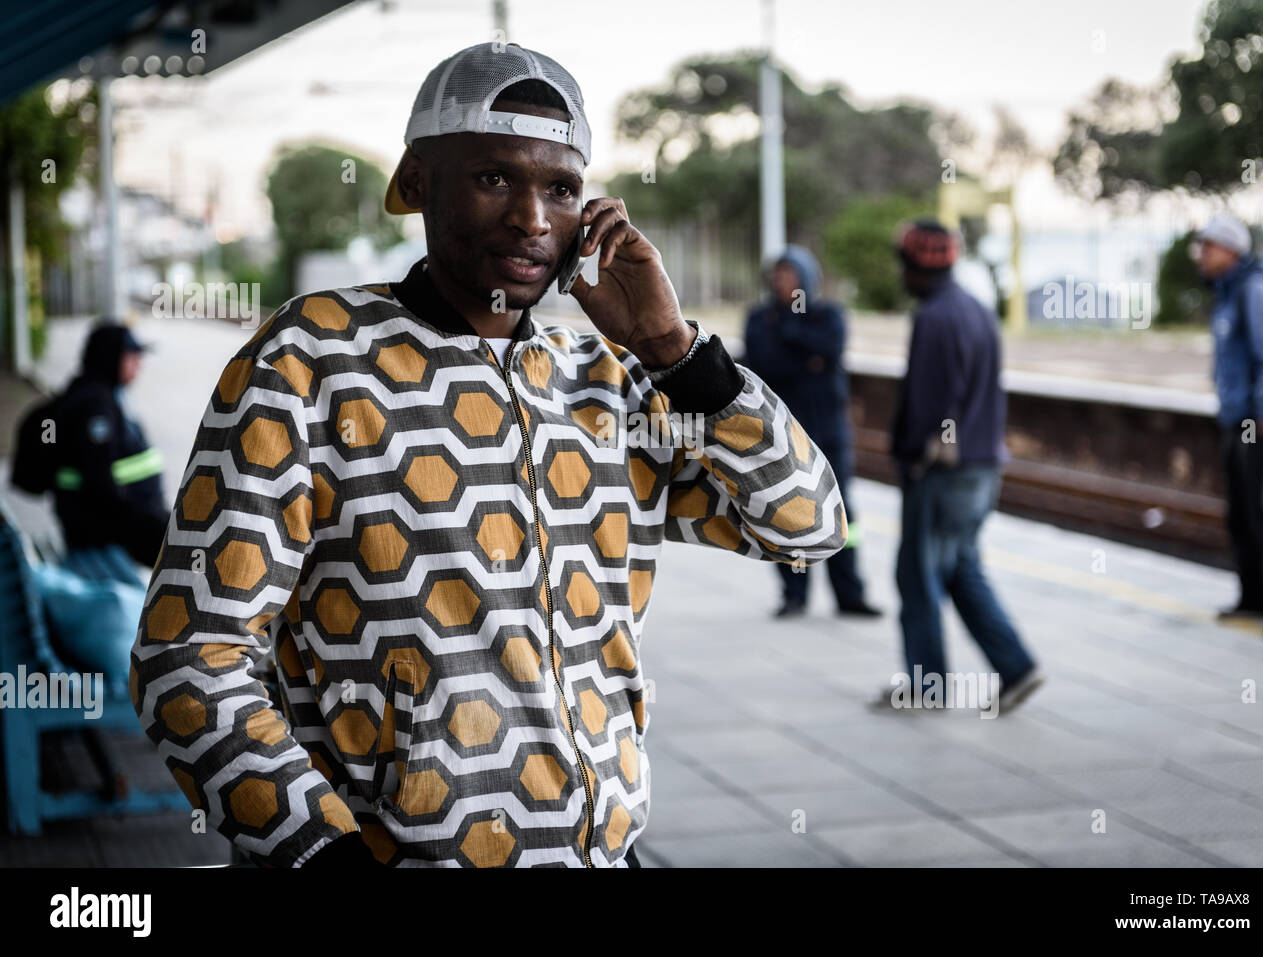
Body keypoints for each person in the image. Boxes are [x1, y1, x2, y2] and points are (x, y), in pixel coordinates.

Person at [130, 41, 847, 869]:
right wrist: (320, 852)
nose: (532, 219)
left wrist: (673, 348)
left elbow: (808, 524)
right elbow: (188, 656)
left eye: (562, 189)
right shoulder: (311, 359)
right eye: (494, 178)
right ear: (416, 183)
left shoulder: (606, 384)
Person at [878, 219, 1043, 714]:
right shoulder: (975, 310)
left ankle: (927, 686)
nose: (900, 274)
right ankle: (1016, 667)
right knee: (961, 569)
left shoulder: (934, 318)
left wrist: (911, 457)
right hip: (982, 466)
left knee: (919, 576)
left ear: (917, 267)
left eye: (903, 264)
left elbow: (932, 403)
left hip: (943, 472)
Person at [742, 246, 883, 618]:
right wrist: (807, 357)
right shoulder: (759, 319)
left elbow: (830, 349)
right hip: (781, 435)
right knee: (785, 511)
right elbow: (766, 363)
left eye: (789, 273)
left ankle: (850, 594)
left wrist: (790, 332)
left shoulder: (828, 314)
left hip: (829, 433)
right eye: (777, 274)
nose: (781, 281)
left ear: (807, 277)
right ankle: (794, 595)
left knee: (842, 516)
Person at [1193, 213, 1263, 636]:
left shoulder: (1254, 290)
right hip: (1239, 420)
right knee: (1242, 510)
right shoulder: (1227, 292)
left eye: (1208, 247)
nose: (1201, 255)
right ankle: (1254, 599)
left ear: (1231, 250)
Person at [11, 321, 168, 585]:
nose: (138, 363)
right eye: (132, 355)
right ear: (111, 357)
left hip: (108, 531)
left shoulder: (99, 395)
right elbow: (100, 484)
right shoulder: (94, 406)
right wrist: (152, 526)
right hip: (103, 536)